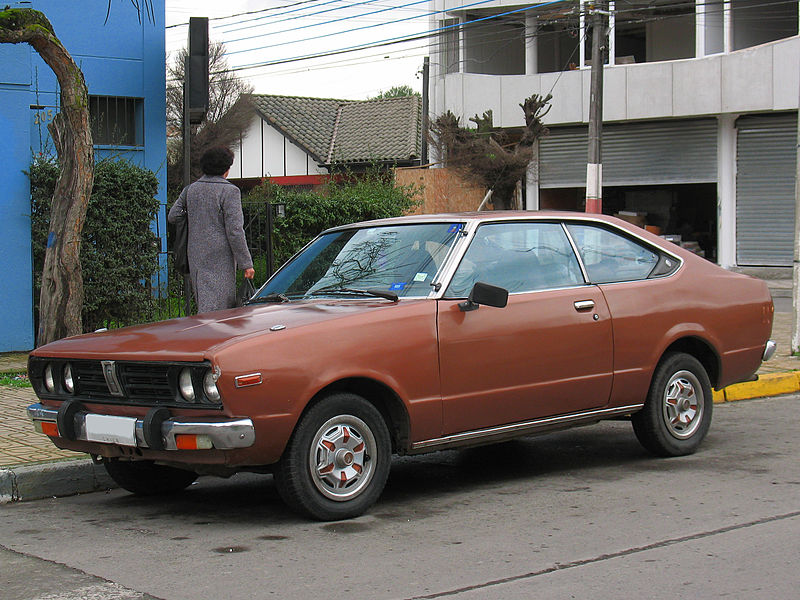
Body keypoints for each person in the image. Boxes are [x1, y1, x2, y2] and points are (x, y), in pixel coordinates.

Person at [168, 146, 254, 313]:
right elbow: (235, 230)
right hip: (220, 256)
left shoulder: (191, 189)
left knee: (204, 300)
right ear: (226, 168)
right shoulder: (229, 191)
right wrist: (246, 263)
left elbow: (173, 215)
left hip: (195, 253)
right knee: (220, 307)